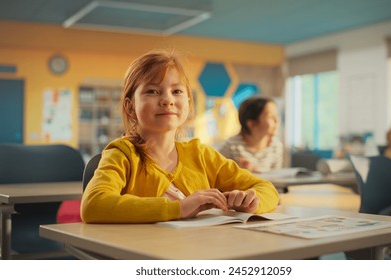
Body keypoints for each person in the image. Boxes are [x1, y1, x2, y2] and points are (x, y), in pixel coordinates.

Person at [80, 50, 279, 224]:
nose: (167, 100)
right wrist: (179, 208)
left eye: (176, 91)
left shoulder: (200, 155)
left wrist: (251, 202)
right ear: (130, 107)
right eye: (152, 91)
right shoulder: (122, 154)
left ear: (189, 104)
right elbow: (93, 204)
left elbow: (267, 189)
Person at [218, 96, 284, 173]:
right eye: (270, 116)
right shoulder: (230, 147)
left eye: (276, 115)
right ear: (252, 124)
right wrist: (240, 173)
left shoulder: (276, 146)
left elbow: (277, 178)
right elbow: (218, 178)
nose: (277, 120)